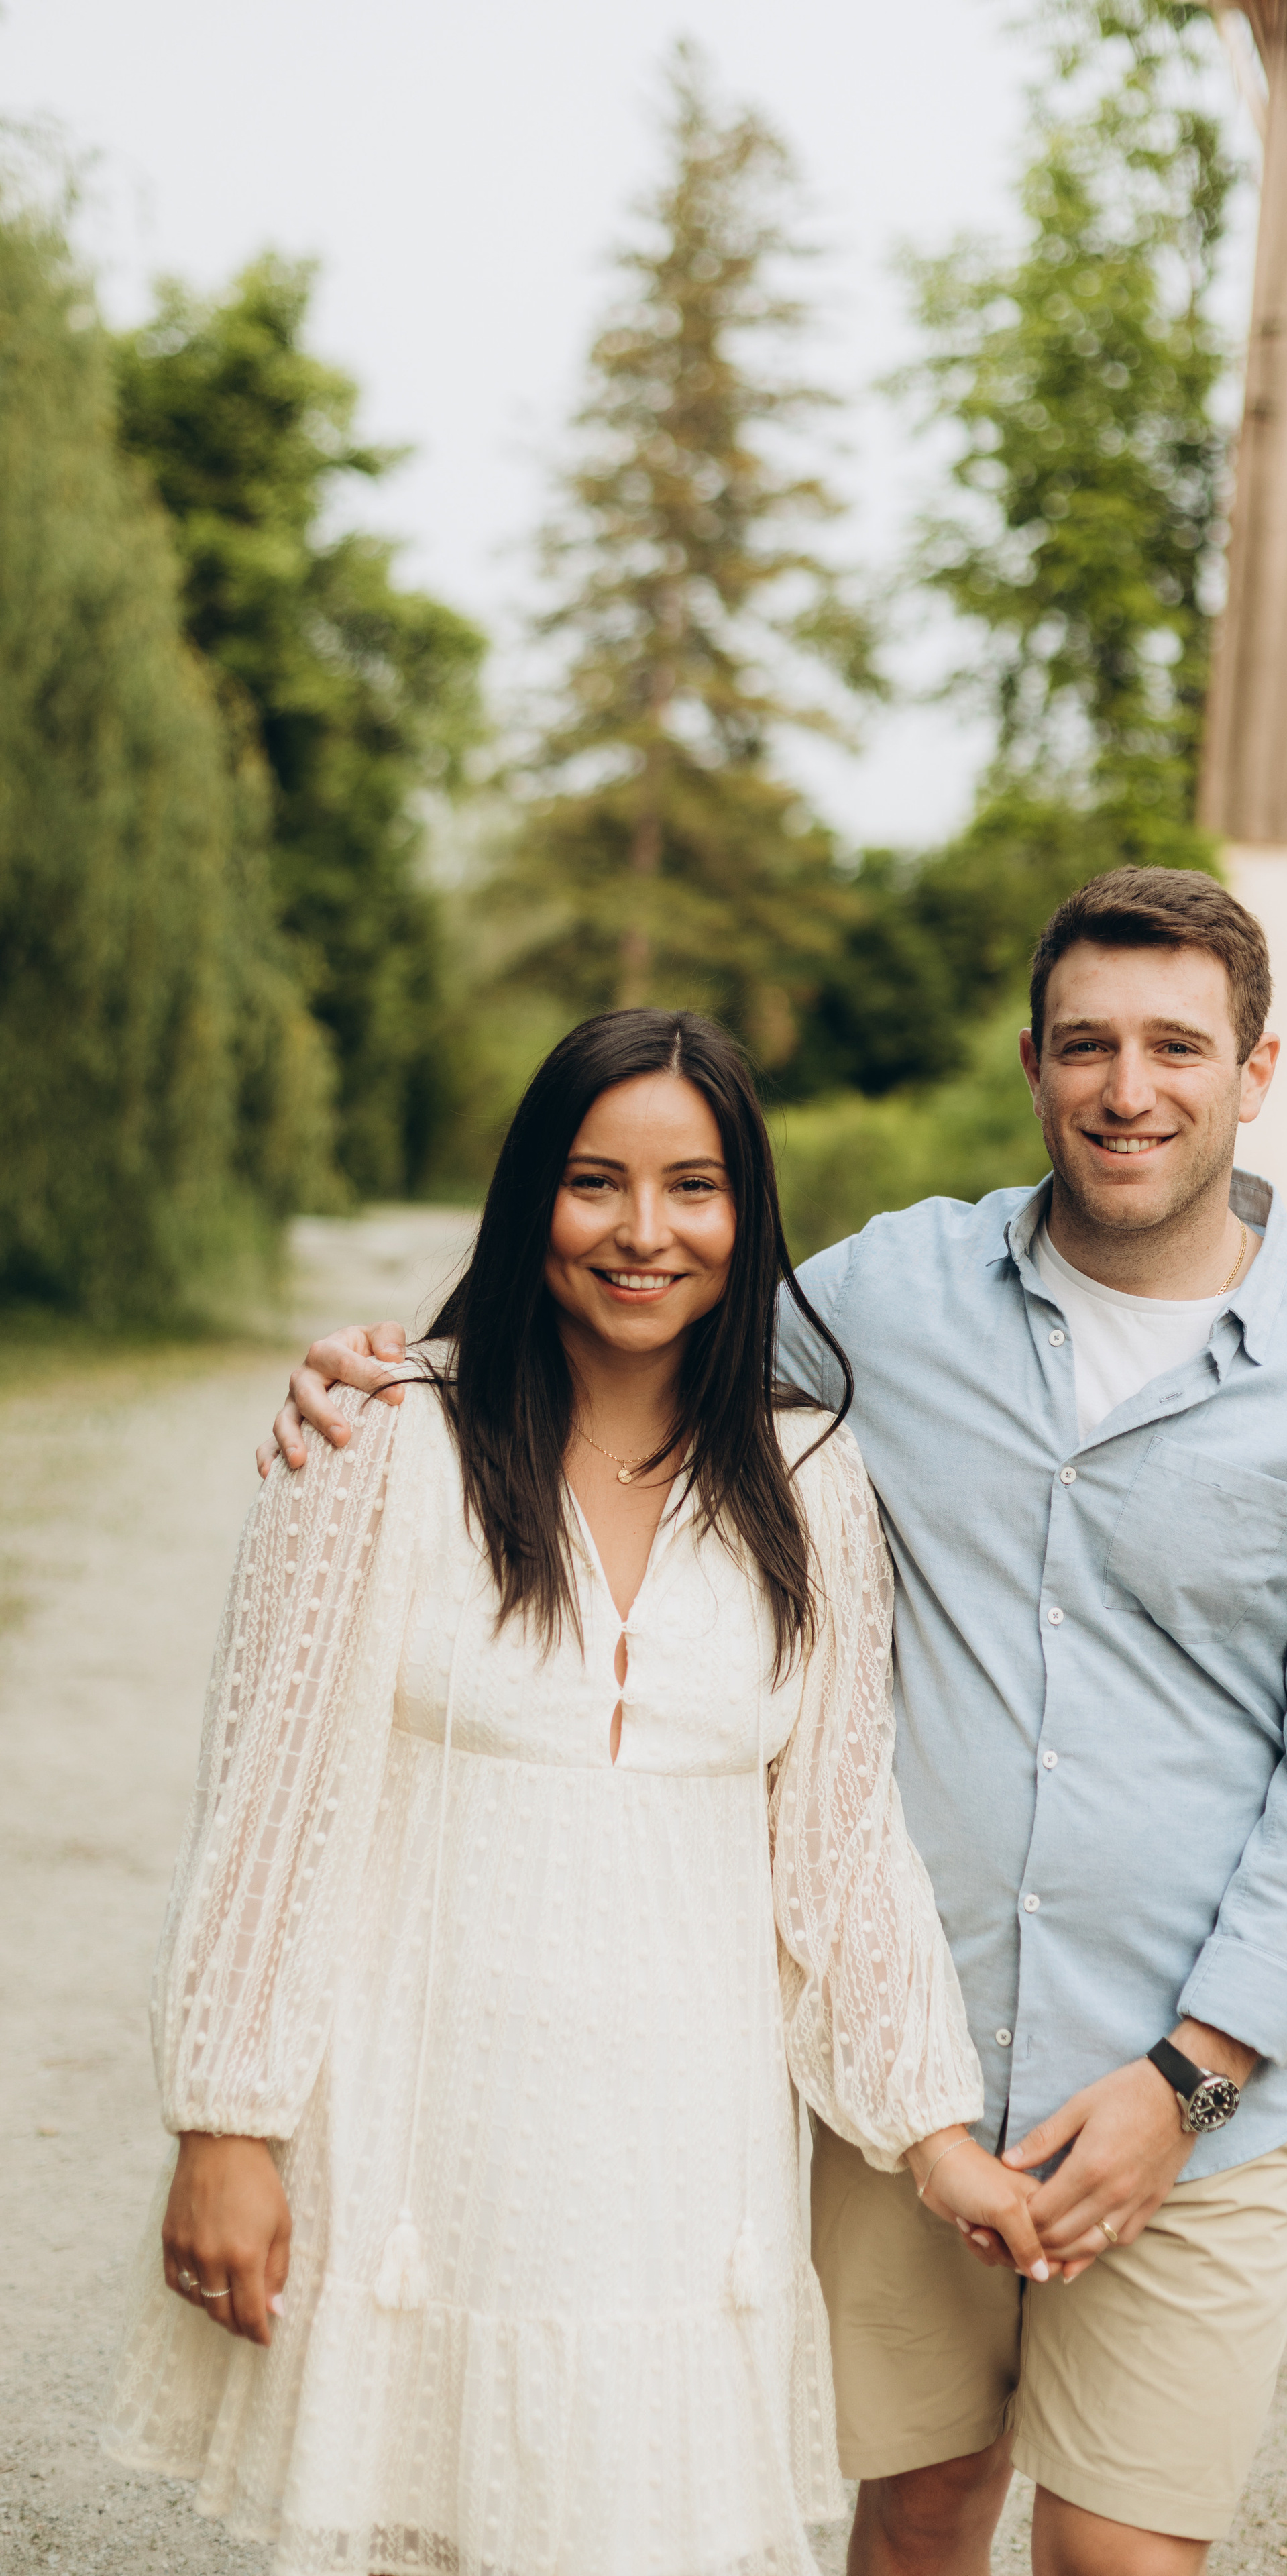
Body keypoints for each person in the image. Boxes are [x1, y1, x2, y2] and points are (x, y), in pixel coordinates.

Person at [258, 867, 1287, 2576]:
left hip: (1186, 2094)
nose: (1130, 1090)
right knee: (911, 2517)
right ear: (1032, 1061)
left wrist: (1188, 2078)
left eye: (1177, 1048)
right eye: (1086, 1045)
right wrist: (395, 1373)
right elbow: (651, 1312)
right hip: (898, 2069)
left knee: (1121, 2554)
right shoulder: (885, 1294)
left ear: (1256, 1070)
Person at [100, 1008, 1060, 2576]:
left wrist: (929, 2129)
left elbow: (839, 1842)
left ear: (745, 1218)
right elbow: (268, 1795)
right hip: (415, 2115)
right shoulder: (381, 1437)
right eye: (592, 1181)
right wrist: (226, 2117)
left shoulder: (809, 1480)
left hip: (674, 2151)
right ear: (526, 1196)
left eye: (692, 1188)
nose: (640, 1232)